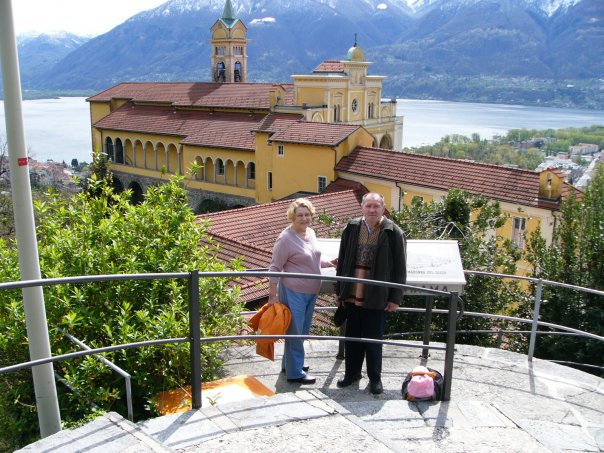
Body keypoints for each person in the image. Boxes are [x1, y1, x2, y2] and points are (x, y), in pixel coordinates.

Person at [335, 192, 407, 394]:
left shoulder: (393, 232)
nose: (372, 210)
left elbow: (400, 268)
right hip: (352, 292)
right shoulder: (351, 228)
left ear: (383, 208)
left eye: (376, 206)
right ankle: (352, 374)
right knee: (352, 337)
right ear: (362, 208)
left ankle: (375, 378)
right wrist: (339, 290)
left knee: (373, 339)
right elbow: (342, 260)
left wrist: (395, 298)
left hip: (377, 294)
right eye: (368, 206)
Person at [268, 198, 335, 384]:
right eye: (300, 215)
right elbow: (275, 267)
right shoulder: (285, 239)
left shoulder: (310, 233)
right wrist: (272, 295)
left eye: (307, 215)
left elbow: (311, 258)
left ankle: (290, 364)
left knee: (301, 330)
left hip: (311, 291)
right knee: (295, 332)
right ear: (292, 217)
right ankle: (295, 373)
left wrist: (328, 263)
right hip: (293, 291)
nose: (304, 218)